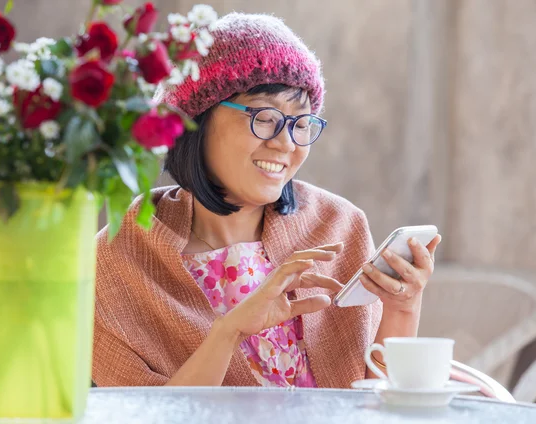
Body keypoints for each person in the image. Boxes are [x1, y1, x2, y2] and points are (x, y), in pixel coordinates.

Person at [92, 12, 441, 388]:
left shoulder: (339, 225)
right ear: (195, 118)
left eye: (301, 122)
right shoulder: (117, 262)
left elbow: (376, 402)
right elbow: (141, 415)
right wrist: (229, 333)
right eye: (264, 116)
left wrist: (402, 308)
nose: (285, 143)